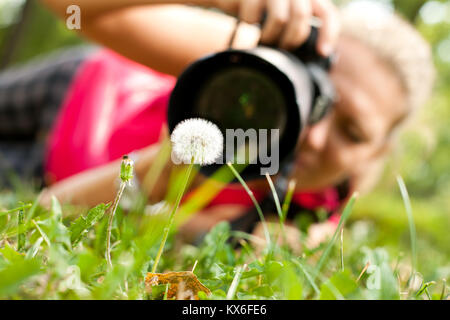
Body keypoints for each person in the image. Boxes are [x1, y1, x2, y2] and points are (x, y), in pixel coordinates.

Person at [0, 0, 434, 245]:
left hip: (56, 176)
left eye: (353, 133)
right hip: (82, 91)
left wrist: (169, 171)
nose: (313, 134)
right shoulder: (243, 57)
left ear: (376, 153)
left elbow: (44, 216)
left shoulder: (307, 214)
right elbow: (71, 9)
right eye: (316, 96)